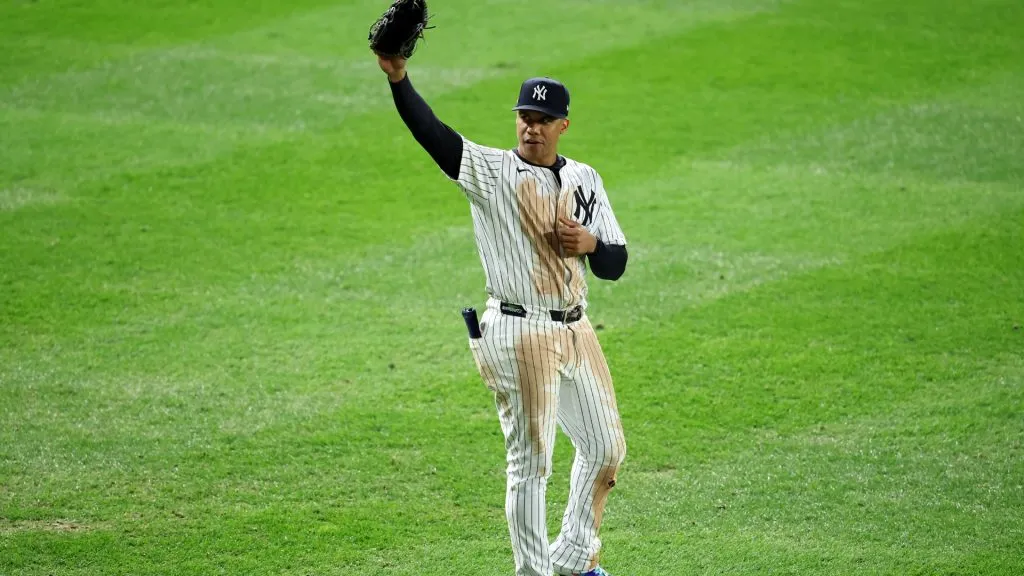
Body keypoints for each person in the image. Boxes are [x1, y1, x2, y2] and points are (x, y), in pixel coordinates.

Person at [376, 50, 629, 576]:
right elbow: (433, 134)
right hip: (518, 331)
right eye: (524, 118)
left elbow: (616, 263)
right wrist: (399, 79)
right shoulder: (491, 170)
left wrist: (590, 243)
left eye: (541, 121)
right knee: (532, 464)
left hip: (576, 328)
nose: (531, 128)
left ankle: (574, 557)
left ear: (563, 125)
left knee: (607, 449)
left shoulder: (586, 178)